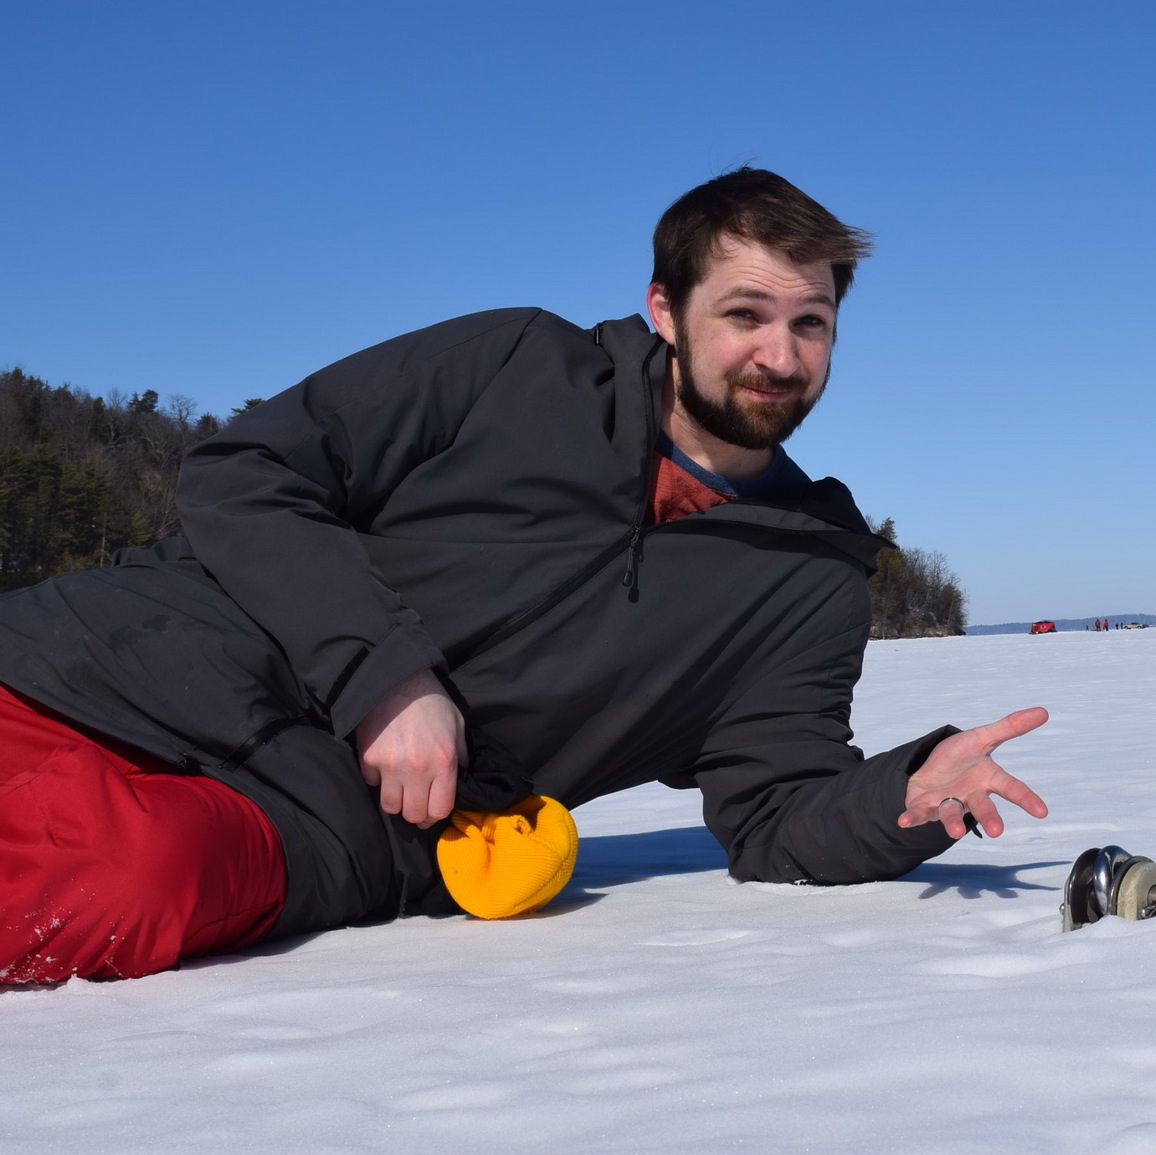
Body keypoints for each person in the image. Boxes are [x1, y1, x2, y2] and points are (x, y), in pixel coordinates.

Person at [0, 168, 1048, 984]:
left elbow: (775, 808)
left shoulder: (809, 573)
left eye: (810, 322)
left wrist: (904, 798)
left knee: (125, 879)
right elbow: (247, 469)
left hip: (314, 823)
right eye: (745, 313)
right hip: (100, 671)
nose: (780, 353)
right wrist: (386, 677)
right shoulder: (515, 365)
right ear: (666, 311)